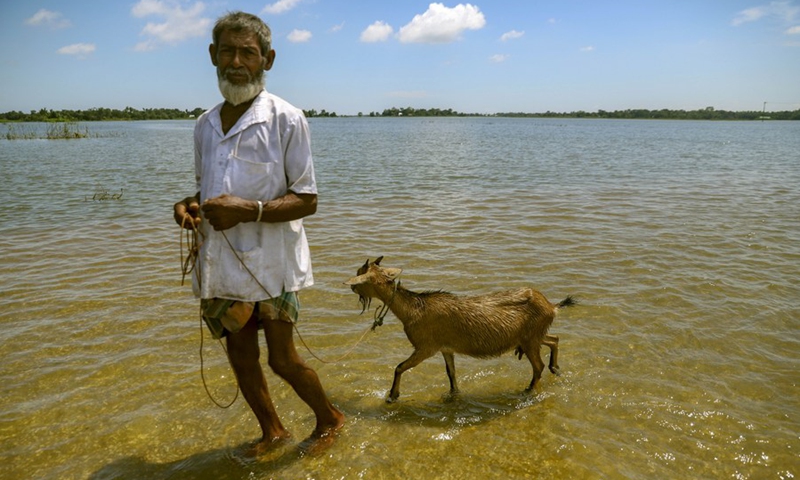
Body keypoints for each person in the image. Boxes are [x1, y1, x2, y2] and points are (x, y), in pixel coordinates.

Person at [173, 11, 344, 457]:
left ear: (267, 59)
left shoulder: (288, 119)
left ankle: (330, 419)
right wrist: (190, 205)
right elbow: (208, 188)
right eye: (227, 51)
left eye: (247, 53)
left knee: (282, 359)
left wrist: (248, 210)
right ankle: (273, 432)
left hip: (273, 263)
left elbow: (307, 200)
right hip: (222, 262)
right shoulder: (204, 124)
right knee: (241, 357)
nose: (236, 62)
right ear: (212, 56)